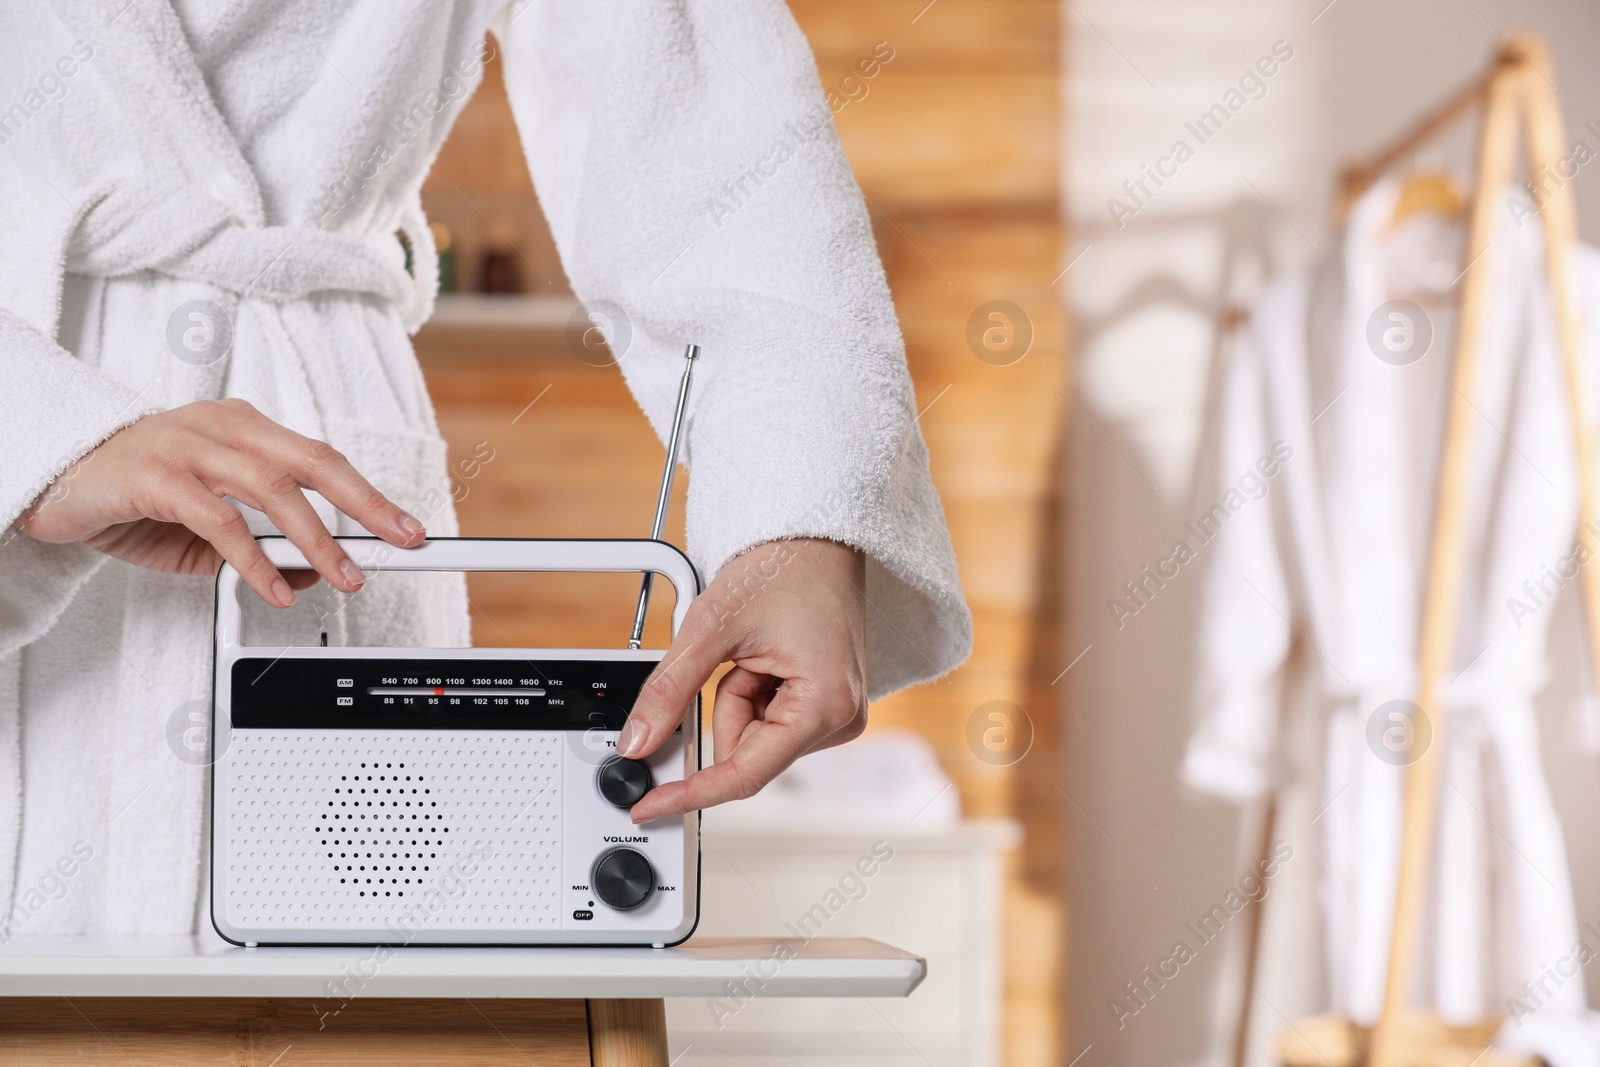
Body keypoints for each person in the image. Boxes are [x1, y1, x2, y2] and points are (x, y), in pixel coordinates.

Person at [0, 2, 969, 937]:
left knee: (358, 1012)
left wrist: (798, 519)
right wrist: (39, 437)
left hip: (318, 420)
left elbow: (706, 122)